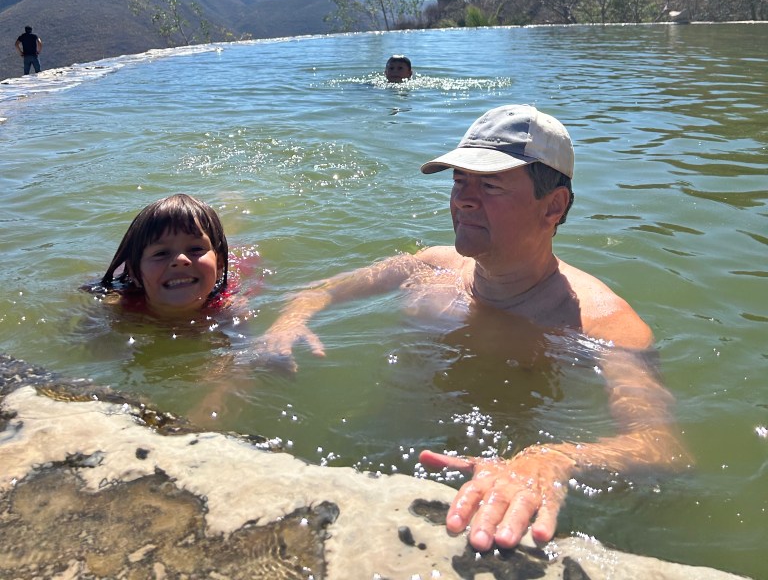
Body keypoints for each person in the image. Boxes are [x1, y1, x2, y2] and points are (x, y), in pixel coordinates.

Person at [259, 104, 690, 552]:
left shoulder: (605, 325)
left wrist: (553, 459)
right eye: (459, 181)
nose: (463, 199)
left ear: (553, 206)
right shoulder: (429, 266)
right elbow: (321, 291)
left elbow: (661, 445)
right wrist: (290, 321)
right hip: (374, 450)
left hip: (504, 494)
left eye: (489, 185)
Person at [91, 194, 230, 319]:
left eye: (196, 249)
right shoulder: (119, 308)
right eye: (161, 253)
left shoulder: (226, 307)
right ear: (134, 273)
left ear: (219, 265)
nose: (180, 259)